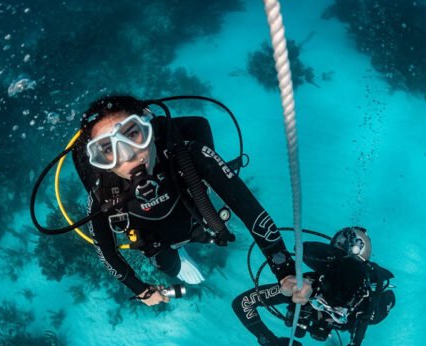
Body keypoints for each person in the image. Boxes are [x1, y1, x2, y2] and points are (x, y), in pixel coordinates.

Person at [74, 95, 304, 307]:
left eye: (132, 134)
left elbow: (250, 210)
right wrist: (142, 291)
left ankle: (187, 248)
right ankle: (180, 258)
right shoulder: (102, 195)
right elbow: (107, 253)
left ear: (149, 128)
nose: (128, 155)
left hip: (198, 224)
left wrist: (285, 271)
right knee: (169, 266)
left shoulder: (191, 154)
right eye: (108, 148)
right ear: (100, 160)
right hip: (158, 246)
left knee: (207, 235)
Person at [232, 227, 396, 346]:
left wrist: (273, 343)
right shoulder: (305, 288)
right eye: (321, 303)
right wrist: (272, 343)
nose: (331, 310)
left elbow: (243, 303)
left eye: (339, 312)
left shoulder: (369, 310)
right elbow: (243, 303)